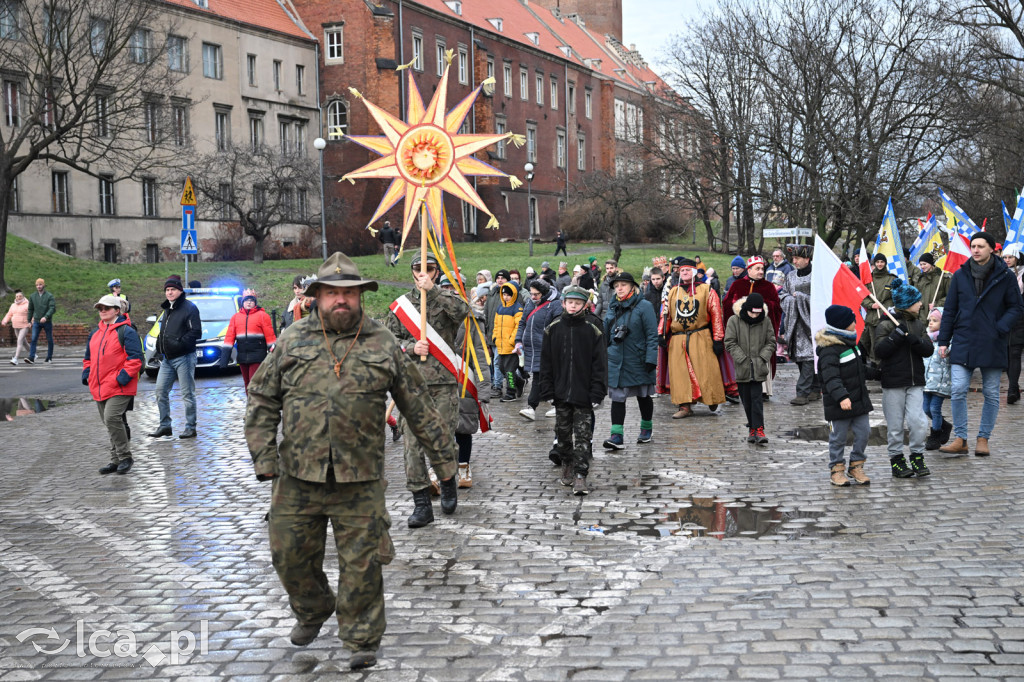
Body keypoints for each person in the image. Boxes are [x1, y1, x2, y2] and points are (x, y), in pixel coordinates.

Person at [245, 253, 454, 670]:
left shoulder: (382, 343)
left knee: (362, 563)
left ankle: (361, 638)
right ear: (317, 297)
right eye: (332, 293)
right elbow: (262, 397)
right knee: (288, 555)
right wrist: (263, 453)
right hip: (296, 475)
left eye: (349, 293)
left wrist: (444, 463)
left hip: (360, 478)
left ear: (359, 297)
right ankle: (313, 608)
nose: (341, 300)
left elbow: (418, 404)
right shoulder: (291, 340)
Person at [384, 252, 467, 526]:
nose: (423, 273)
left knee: (442, 439)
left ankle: (448, 483)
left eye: (428, 269)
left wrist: (434, 292)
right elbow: (387, 341)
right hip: (411, 384)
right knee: (412, 445)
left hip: (442, 383)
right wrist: (409, 347)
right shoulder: (401, 306)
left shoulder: (447, 300)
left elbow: (463, 312)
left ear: (436, 272)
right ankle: (421, 503)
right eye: (418, 269)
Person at [938, 232, 1024, 456]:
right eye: (973, 246)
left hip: (992, 342)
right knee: (957, 389)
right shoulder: (960, 275)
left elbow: (1016, 307)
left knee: (992, 393)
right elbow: (949, 311)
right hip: (964, 340)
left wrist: (1000, 327)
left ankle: (983, 438)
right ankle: (961, 438)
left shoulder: (1005, 276)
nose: (975, 250)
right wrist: (943, 341)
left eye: (980, 246)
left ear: (991, 250)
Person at [539, 285, 608, 495]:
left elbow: (600, 364)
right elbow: (546, 362)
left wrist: (597, 392)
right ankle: (567, 464)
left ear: (585, 305)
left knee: (583, 436)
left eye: (578, 303)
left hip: (584, 394)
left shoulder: (592, 330)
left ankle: (580, 474)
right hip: (560, 393)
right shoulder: (553, 328)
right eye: (570, 302)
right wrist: (547, 390)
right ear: (563, 303)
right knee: (563, 434)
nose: (573, 306)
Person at [874, 279, 933, 478]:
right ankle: (896, 459)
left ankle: (917, 454)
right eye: (917, 301)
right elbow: (880, 351)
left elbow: (928, 349)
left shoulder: (918, 324)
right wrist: (896, 336)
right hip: (893, 382)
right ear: (908, 303)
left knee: (919, 422)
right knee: (895, 425)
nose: (921, 304)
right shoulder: (885, 324)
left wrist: (914, 339)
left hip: (915, 381)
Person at [816, 305, 876, 487]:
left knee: (864, 432)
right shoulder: (829, 350)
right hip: (839, 403)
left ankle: (856, 465)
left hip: (859, 400)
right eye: (852, 320)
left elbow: (859, 370)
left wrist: (880, 373)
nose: (855, 323)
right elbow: (830, 377)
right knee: (838, 437)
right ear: (843, 325)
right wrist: (842, 397)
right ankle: (836, 469)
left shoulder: (851, 344)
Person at [83, 295, 142, 475]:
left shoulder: (126, 331)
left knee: (111, 419)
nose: (102, 311)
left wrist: (121, 378)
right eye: (100, 308)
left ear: (117, 310)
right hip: (99, 386)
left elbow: (136, 359)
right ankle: (115, 460)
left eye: (106, 308)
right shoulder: (95, 333)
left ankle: (125, 457)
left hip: (120, 386)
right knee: (111, 423)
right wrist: (87, 374)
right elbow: (88, 359)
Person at [601, 272, 659, 448]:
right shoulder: (612, 308)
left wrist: (651, 359)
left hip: (639, 359)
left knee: (643, 394)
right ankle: (616, 435)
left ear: (633, 287)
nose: (619, 288)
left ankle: (646, 429)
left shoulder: (644, 306)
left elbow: (651, 334)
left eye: (623, 285)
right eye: (616, 285)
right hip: (616, 360)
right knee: (617, 397)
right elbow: (605, 334)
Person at [664, 258, 726, 417]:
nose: (684, 272)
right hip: (678, 338)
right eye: (682, 270)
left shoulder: (707, 289)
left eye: (687, 270)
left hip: (701, 334)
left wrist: (718, 338)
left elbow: (716, 314)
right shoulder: (673, 291)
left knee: (706, 369)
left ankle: (712, 399)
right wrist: (662, 333)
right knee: (680, 373)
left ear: (694, 272)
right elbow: (666, 315)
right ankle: (684, 406)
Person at [149, 277, 201, 439]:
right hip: (167, 359)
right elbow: (162, 331)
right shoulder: (167, 309)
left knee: (187, 394)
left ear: (180, 291)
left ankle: (190, 427)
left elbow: (195, 332)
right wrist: (159, 346)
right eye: (167, 290)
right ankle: (165, 426)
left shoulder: (189, 308)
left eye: (172, 289)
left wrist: (179, 344)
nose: (169, 292)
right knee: (160, 391)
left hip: (184, 357)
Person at [723, 256, 783, 398]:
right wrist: (740, 307)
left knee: (762, 356)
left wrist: (763, 306)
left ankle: (763, 390)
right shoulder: (737, 285)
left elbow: (777, 307)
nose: (761, 271)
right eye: (757, 269)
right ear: (749, 270)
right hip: (742, 331)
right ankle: (740, 386)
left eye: (762, 269)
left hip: (761, 331)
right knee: (742, 357)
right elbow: (726, 304)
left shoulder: (768, 287)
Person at [724, 293, 776, 444]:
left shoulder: (765, 321)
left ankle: (759, 429)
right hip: (742, 368)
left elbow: (771, 342)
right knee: (746, 400)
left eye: (757, 313)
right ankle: (752, 428)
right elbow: (730, 342)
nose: (754, 316)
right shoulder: (734, 321)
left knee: (757, 399)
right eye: (752, 312)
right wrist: (742, 359)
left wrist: (761, 358)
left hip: (759, 367)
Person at [516, 279, 562, 420]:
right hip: (531, 348)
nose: (533, 297)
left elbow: (557, 327)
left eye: (536, 294)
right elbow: (523, 322)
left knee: (545, 377)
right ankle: (537, 407)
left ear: (544, 293)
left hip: (547, 348)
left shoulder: (555, 305)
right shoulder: (530, 303)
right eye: (531, 294)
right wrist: (518, 341)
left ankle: (542, 406)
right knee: (539, 376)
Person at [779, 244, 820, 404]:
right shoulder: (790, 276)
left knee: (809, 356)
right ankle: (816, 389)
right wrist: (791, 299)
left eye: (797, 258)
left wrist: (802, 297)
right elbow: (783, 295)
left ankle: (802, 393)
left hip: (811, 323)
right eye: (793, 258)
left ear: (807, 259)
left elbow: (820, 298)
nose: (794, 261)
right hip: (794, 323)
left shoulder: (817, 275)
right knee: (800, 357)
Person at [221, 289, 277, 391]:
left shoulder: (263, 316)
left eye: (252, 300)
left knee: (254, 382)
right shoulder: (236, 318)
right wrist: (224, 359)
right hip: (242, 356)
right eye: (247, 300)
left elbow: (270, 336)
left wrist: (275, 354)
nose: (249, 302)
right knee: (247, 383)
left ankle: (255, 404)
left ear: (255, 302)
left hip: (257, 355)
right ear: (242, 302)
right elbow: (229, 337)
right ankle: (250, 404)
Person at [922, 308, 953, 450]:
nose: (931, 323)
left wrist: (946, 349)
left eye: (935, 321)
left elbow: (949, 353)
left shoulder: (947, 340)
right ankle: (945, 425)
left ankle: (934, 435)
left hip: (940, 382)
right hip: (927, 380)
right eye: (930, 320)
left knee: (934, 409)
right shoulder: (926, 338)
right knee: (925, 409)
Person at [492, 282, 524, 402]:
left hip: (511, 346)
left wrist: (512, 340)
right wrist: (495, 337)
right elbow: (496, 325)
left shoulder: (517, 308)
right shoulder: (500, 308)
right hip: (500, 345)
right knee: (502, 368)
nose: (505, 297)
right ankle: (519, 382)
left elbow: (519, 326)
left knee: (510, 371)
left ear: (514, 295)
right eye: (504, 294)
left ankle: (511, 392)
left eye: (508, 295)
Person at [861, 253, 895, 365]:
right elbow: (862, 298)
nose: (880, 264)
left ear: (885, 263)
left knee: (884, 342)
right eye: (877, 262)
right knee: (869, 341)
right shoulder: (868, 279)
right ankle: (875, 364)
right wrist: (871, 305)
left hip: (887, 316)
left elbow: (896, 298)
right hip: (872, 317)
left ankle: (884, 365)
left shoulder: (892, 279)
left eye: (882, 262)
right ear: (874, 264)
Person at [1004, 247, 1024, 404]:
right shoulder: (1002, 274)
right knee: (1010, 354)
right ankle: (1013, 388)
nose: (1007, 260)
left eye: (1011, 257)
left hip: (1021, 318)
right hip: (1008, 319)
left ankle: (1012, 389)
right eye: (1005, 257)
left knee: (1015, 354)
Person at [485, 270, 510, 395]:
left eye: (503, 278)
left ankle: (498, 385)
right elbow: (487, 313)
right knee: (496, 361)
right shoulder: (492, 294)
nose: (500, 280)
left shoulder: (510, 295)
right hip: (492, 333)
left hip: (504, 334)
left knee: (500, 361)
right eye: (498, 278)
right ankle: (498, 384)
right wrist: (486, 331)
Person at [26, 278, 56, 364]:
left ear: (43, 285)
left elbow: (52, 308)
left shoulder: (49, 296)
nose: (38, 286)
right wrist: (29, 320)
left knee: (49, 339)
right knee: (34, 338)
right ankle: (31, 357)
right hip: (36, 321)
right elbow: (30, 309)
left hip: (47, 321)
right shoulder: (33, 296)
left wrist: (46, 317)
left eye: (40, 284)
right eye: (37, 285)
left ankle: (49, 357)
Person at [914, 253, 949, 320]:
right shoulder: (919, 279)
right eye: (921, 264)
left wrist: (937, 305)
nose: (922, 267)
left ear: (931, 263)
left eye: (924, 264)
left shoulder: (943, 278)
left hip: (937, 316)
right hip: (921, 317)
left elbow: (950, 296)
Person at [2, 289, 30, 365]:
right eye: (17, 296)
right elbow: (9, 314)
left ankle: (15, 358)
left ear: (23, 296)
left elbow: (32, 314)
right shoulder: (13, 305)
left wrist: (31, 322)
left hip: (24, 325)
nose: (18, 297)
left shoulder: (27, 304)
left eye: (20, 296)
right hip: (16, 326)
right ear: (15, 297)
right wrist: (5, 320)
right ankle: (33, 354)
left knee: (19, 341)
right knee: (24, 342)